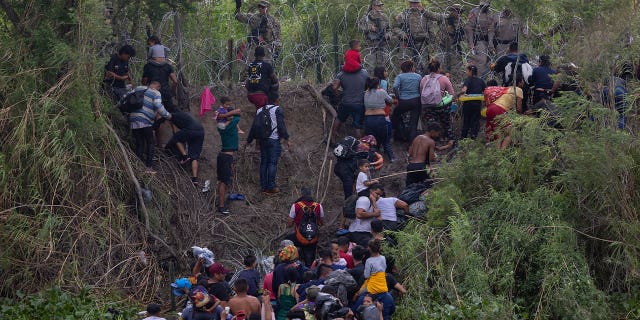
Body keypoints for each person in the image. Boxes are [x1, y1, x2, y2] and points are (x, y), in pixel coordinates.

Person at [246, 101, 290, 194]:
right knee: (272, 163)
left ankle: (263, 187)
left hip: (262, 140)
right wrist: (287, 138)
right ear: (276, 100)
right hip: (273, 140)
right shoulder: (277, 109)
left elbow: (254, 127)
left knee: (264, 163)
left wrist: (249, 140)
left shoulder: (259, 110)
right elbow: (281, 126)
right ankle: (271, 187)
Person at [128, 81, 172, 173]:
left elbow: (127, 96)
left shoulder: (138, 88)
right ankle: (148, 167)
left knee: (140, 143)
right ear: (158, 86)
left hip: (133, 119)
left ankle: (137, 165)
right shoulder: (156, 92)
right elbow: (158, 106)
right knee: (150, 143)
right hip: (145, 121)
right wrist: (168, 115)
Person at [393, 0, 447, 73]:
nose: (414, 5)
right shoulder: (403, 15)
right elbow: (395, 27)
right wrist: (402, 34)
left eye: (416, 3)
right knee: (406, 66)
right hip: (407, 44)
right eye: (413, 3)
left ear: (419, 3)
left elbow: (430, 30)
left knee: (423, 67)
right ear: (409, 3)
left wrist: (432, 44)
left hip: (422, 44)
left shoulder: (425, 15)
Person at [420, 59, 455, 149]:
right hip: (441, 106)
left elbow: (421, 92)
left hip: (428, 106)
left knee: (431, 126)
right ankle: (452, 143)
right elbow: (451, 93)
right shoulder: (444, 78)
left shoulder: (424, 79)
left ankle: (432, 145)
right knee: (446, 124)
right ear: (439, 68)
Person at [215, 99, 242, 214]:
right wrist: (229, 114)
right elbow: (239, 112)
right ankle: (221, 206)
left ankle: (221, 204)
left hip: (223, 156)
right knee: (223, 182)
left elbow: (224, 118)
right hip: (226, 157)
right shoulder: (232, 124)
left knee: (222, 181)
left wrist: (223, 115)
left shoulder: (220, 127)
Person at [331, 61, 369, 143]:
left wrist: (340, 96)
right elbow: (367, 86)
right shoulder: (364, 73)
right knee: (357, 125)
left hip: (346, 102)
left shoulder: (341, 74)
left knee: (339, 118)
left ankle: (332, 139)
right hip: (359, 103)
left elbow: (334, 88)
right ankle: (360, 145)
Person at [287, 188, 324, 267]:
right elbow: (321, 223)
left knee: (287, 240)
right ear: (310, 195)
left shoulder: (296, 206)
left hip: (299, 238)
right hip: (313, 238)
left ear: (302, 195)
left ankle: (294, 259)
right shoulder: (318, 206)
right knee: (311, 260)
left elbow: (289, 224)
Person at [485, 74, 524, 148]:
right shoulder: (518, 90)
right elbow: (519, 108)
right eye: (522, 81)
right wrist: (521, 117)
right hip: (499, 109)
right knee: (511, 133)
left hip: (491, 108)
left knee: (499, 133)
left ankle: (496, 154)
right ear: (519, 82)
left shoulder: (507, 88)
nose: (523, 82)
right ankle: (501, 154)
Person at [166, 111, 205, 185]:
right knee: (194, 156)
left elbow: (175, 131)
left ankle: (184, 156)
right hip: (201, 131)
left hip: (192, 130)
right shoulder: (186, 115)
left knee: (176, 137)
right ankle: (194, 179)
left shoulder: (173, 115)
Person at [364, 77, 394, 161]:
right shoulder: (382, 92)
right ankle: (391, 158)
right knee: (385, 141)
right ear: (378, 85)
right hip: (380, 119)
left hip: (368, 120)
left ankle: (370, 160)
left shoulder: (366, 93)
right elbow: (390, 101)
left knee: (370, 141)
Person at [392, 60, 422, 142]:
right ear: (411, 67)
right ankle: (411, 143)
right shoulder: (418, 76)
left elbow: (395, 87)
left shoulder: (400, 76)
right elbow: (421, 88)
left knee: (396, 114)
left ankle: (396, 135)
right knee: (414, 122)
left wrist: (398, 97)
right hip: (416, 100)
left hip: (404, 101)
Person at [142, 48, 179, 112]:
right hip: (166, 93)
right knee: (171, 113)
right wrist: (172, 92)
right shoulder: (168, 66)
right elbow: (175, 81)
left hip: (152, 94)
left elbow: (144, 81)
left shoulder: (147, 66)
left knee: (153, 114)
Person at [456, 65, 487, 139]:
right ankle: (473, 137)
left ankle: (463, 137)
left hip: (468, 104)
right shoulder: (481, 81)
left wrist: (458, 95)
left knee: (466, 120)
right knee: (475, 121)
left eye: (467, 71)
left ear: (470, 71)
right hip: (477, 104)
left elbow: (464, 91)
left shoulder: (468, 80)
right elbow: (486, 91)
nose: (466, 72)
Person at [464, 1, 495, 75]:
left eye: (486, 6)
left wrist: (491, 44)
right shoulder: (474, 12)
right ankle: (476, 79)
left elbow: (491, 30)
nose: (484, 7)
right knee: (482, 60)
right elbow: (469, 28)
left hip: (487, 41)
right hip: (478, 41)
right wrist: (471, 43)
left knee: (489, 62)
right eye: (483, 6)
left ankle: (482, 79)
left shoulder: (490, 13)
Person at [358, 1, 391, 69]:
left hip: (382, 44)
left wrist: (388, 34)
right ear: (373, 6)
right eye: (378, 6)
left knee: (382, 66)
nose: (380, 7)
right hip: (370, 44)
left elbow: (389, 29)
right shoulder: (366, 17)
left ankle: (381, 79)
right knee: (370, 65)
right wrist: (370, 28)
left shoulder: (384, 16)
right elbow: (360, 27)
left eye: (381, 5)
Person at [406, 122, 441, 186]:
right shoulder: (431, 141)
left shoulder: (416, 138)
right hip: (422, 167)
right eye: (437, 133)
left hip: (410, 166)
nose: (437, 136)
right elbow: (431, 159)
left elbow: (410, 153)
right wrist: (435, 157)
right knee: (429, 185)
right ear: (433, 131)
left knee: (409, 188)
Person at [442, 4, 465, 73]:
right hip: (443, 45)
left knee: (456, 65)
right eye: (457, 11)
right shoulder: (445, 18)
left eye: (460, 12)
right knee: (443, 64)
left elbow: (464, 35)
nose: (459, 14)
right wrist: (423, 10)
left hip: (455, 46)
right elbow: (433, 15)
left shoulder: (461, 22)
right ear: (452, 11)